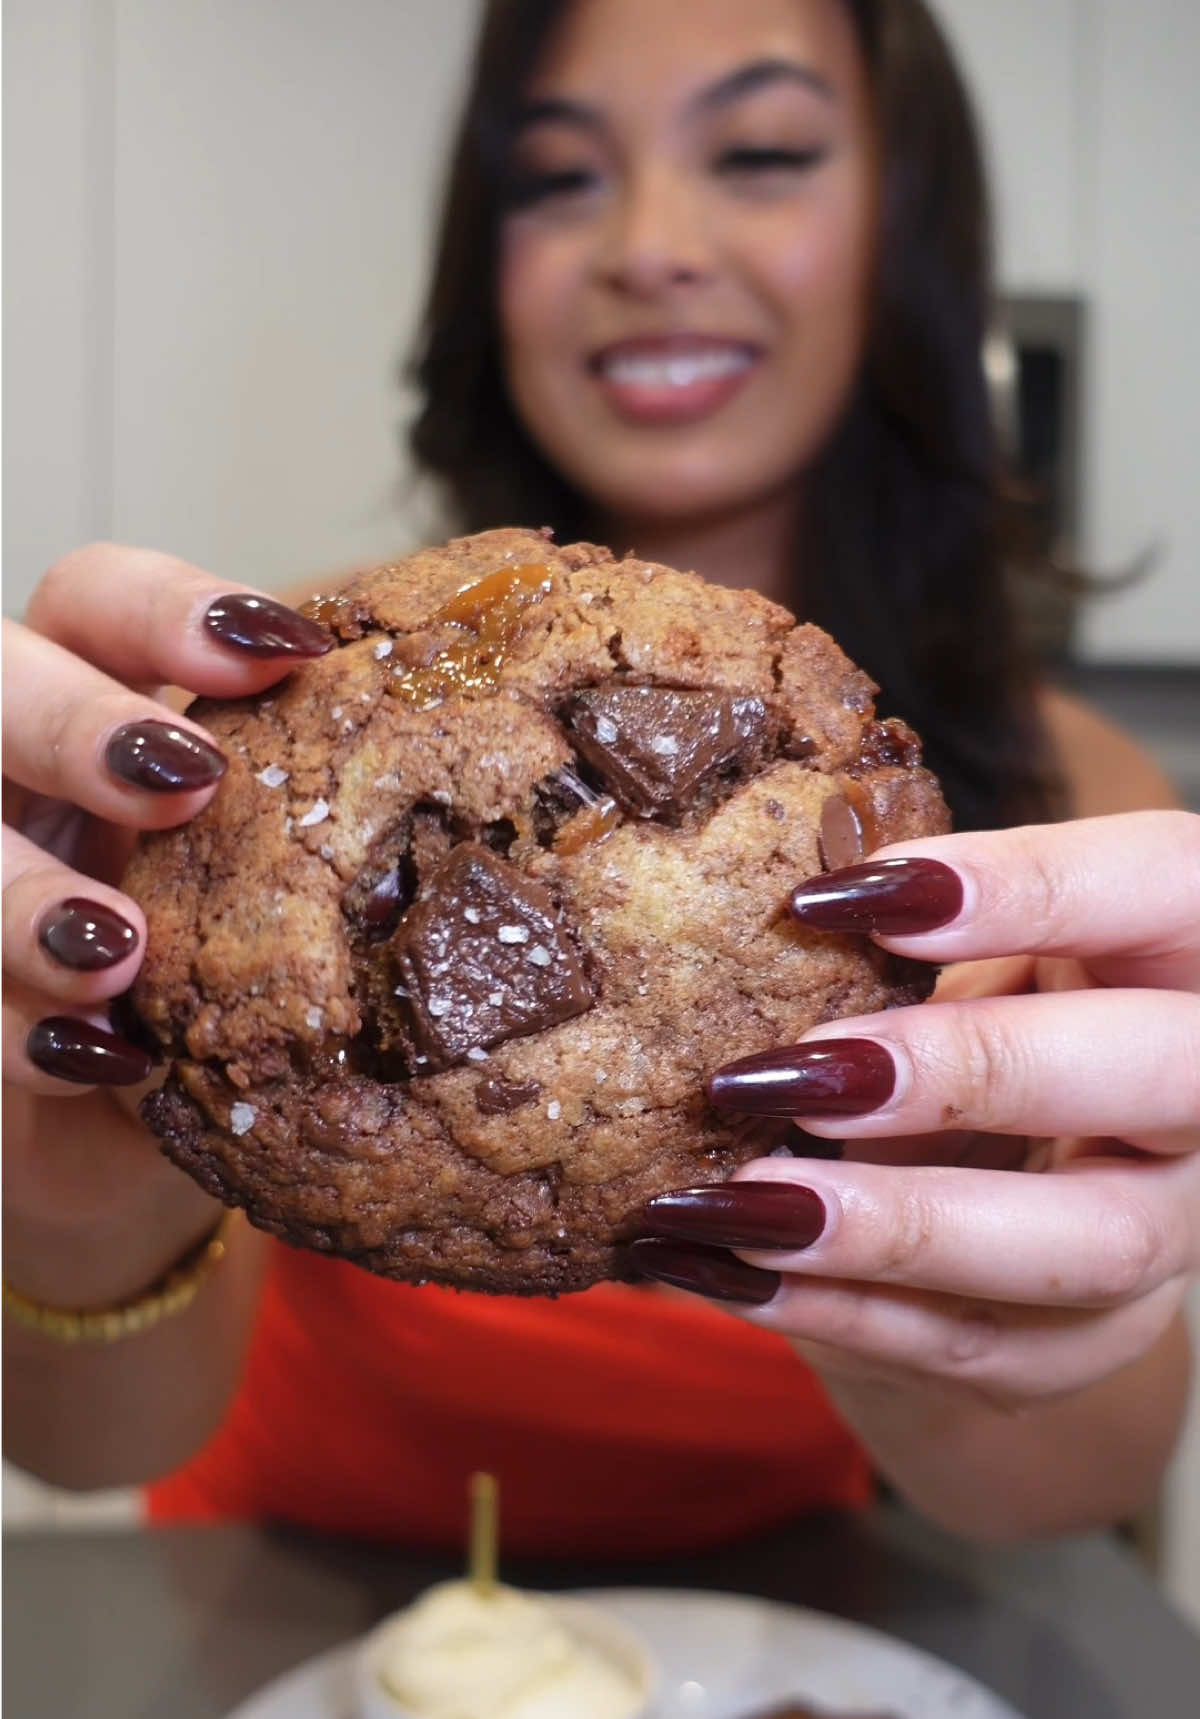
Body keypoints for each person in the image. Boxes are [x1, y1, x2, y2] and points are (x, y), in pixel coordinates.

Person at [4, 0, 1198, 1555]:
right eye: (560, 176)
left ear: (908, 232)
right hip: (286, 1604)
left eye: (759, 154)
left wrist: (932, 1260)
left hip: (776, 1629)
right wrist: (77, 1179)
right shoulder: (245, 725)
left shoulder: (1068, 819)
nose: (648, 246)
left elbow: (1082, 1496)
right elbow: (88, 1452)